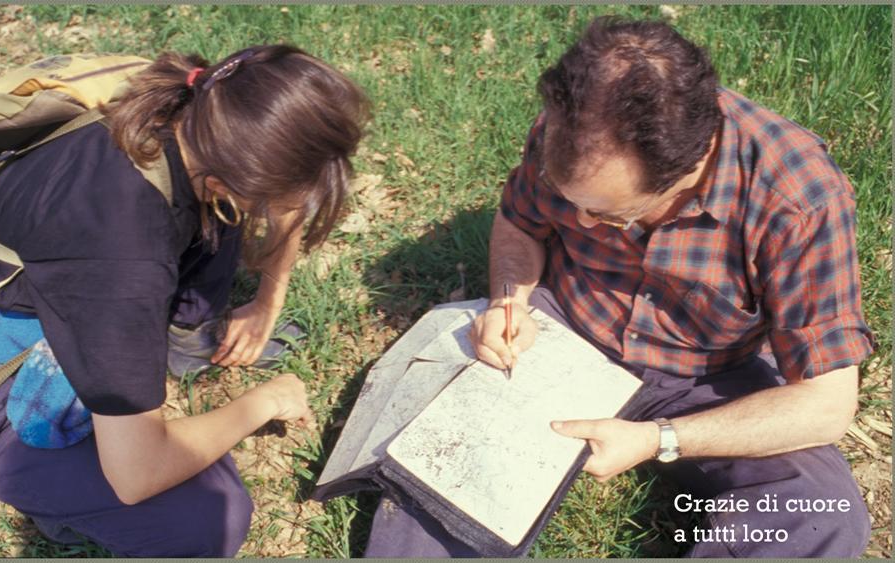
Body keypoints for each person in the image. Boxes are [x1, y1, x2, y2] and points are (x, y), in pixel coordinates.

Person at [363, 17, 873, 558]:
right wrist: (509, 300)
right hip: (565, 331)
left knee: (819, 512)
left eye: (605, 213)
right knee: (442, 459)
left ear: (688, 169)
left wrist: (661, 439)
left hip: (713, 372)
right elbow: (519, 223)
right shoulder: (574, 131)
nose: (577, 224)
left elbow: (826, 405)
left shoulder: (798, 196)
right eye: (571, 201)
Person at [0, 45, 368, 556]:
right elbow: (137, 475)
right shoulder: (124, 257)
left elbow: (285, 179)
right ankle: (35, 476)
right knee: (208, 517)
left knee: (224, 220)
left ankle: (178, 348)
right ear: (233, 177)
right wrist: (266, 401)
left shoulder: (201, 106)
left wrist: (267, 301)